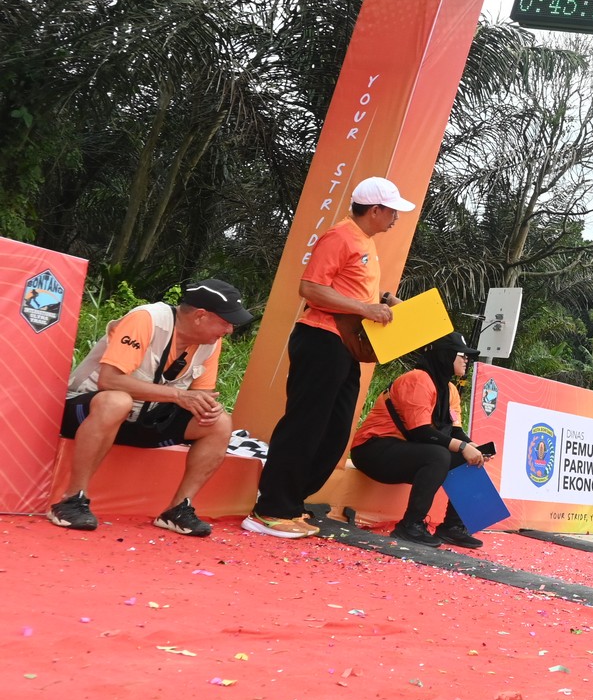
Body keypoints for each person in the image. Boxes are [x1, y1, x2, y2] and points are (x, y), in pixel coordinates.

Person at [244, 176, 412, 538]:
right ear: (375, 210)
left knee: (334, 432)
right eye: (392, 211)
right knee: (305, 424)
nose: (396, 218)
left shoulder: (364, 241)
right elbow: (310, 288)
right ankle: (269, 508)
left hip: (344, 345)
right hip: (321, 338)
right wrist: (365, 309)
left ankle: (291, 501)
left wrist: (384, 302)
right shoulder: (341, 235)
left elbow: (351, 290)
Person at [49, 279, 255, 536]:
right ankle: (71, 499)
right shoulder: (146, 319)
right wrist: (178, 395)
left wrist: (206, 405)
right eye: (226, 322)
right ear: (200, 316)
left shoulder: (210, 342)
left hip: (144, 418)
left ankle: (177, 510)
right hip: (87, 411)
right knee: (117, 401)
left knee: (219, 421)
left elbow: (201, 395)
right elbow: (109, 380)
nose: (230, 330)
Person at [346, 332, 485, 548]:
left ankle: (452, 527)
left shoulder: (450, 390)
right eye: (462, 355)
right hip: (372, 450)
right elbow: (421, 432)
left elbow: (455, 431)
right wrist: (463, 446)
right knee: (439, 455)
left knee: (469, 460)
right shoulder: (418, 379)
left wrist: (474, 448)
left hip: (405, 451)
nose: (467, 360)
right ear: (445, 355)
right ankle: (410, 525)